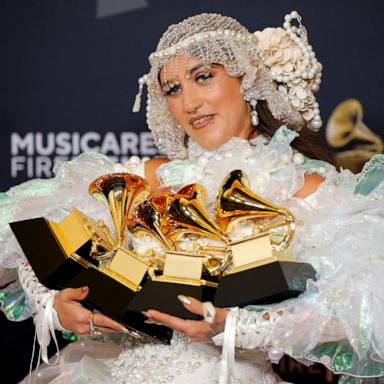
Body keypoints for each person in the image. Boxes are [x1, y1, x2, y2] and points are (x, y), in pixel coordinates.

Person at [1, 11, 384, 384]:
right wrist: (54, 306)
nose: (189, 103)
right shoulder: (147, 178)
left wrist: (238, 327)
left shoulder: (304, 188)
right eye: (173, 89)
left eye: (203, 77)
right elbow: (23, 238)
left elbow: (362, 311)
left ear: (247, 76)